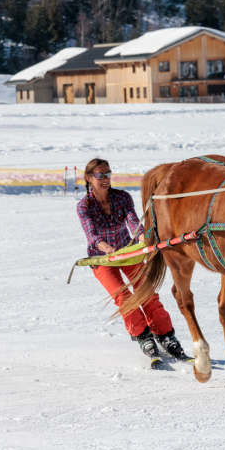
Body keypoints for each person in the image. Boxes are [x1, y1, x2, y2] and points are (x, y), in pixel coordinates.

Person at [76, 157, 191, 369]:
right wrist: (106, 248)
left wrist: (141, 238)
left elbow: (133, 222)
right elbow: (91, 234)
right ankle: (142, 336)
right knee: (123, 296)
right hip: (102, 259)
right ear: (89, 178)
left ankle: (165, 335)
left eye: (108, 174)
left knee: (146, 292)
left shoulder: (122, 198)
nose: (105, 179)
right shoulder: (84, 206)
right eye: (100, 175)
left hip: (127, 253)